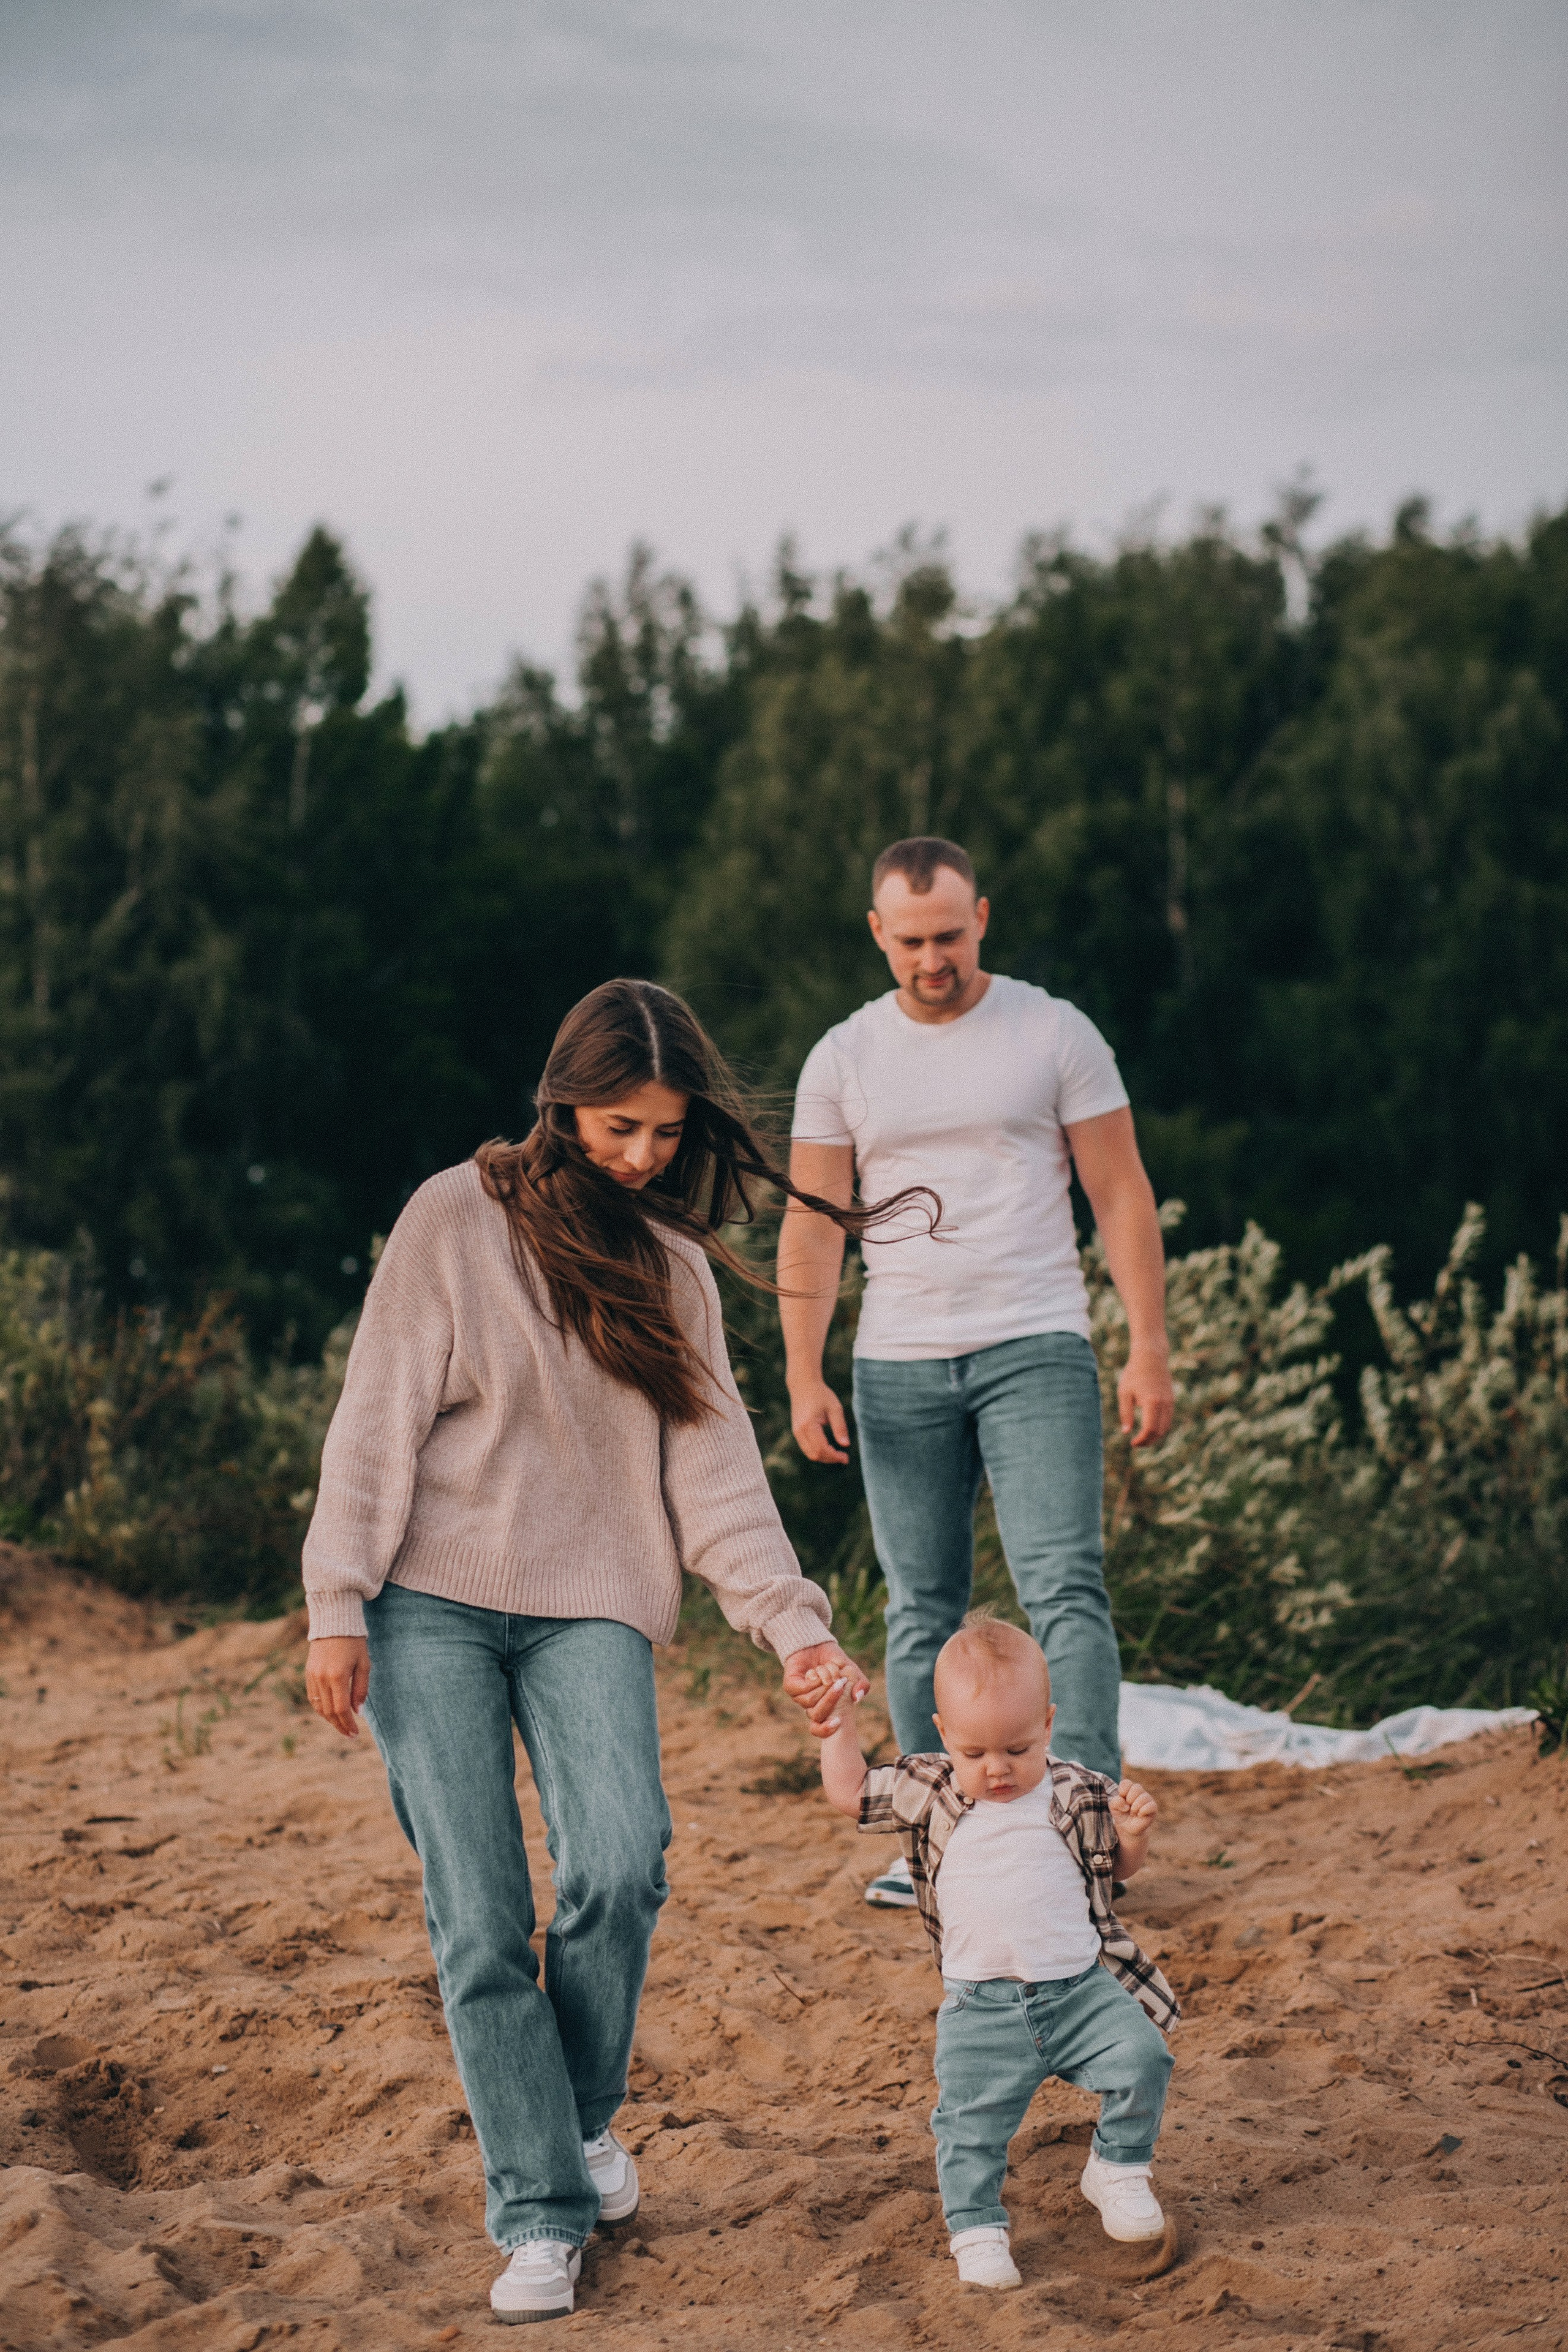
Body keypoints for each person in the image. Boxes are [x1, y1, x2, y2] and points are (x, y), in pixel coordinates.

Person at [301, 979, 914, 2326]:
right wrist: (337, 1600)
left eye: (661, 1132)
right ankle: (538, 2211)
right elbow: (375, 1419)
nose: (640, 1154)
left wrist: (792, 1629)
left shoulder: (670, 1265)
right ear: (562, 1096)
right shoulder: (447, 1220)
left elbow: (715, 1475)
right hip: (426, 1608)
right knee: (476, 1917)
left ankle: (573, 2124)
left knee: (621, 1865)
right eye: (619, 1125)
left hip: (591, 1603)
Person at [780, 835, 1174, 1907]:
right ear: (878, 934)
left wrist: (1148, 1346)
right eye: (910, 941)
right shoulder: (844, 1057)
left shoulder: (1054, 1032)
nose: (931, 958)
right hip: (897, 1361)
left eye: (949, 935)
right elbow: (814, 1229)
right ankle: (934, 1842)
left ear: (983, 918)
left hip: (1036, 1343)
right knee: (920, 1607)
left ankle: (1083, 1839)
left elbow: (1121, 1193)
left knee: (1064, 1588)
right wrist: (803, 1371)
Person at [808, 1615, 1177, 2289]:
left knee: (1143, 2057)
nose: (998, 1769)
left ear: (1048, 1723)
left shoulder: (1077, 1788)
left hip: (1079, 1989)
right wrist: (840, 1731)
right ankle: (976, 2228)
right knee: (968, 2127)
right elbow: (849, 1793)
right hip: (982, 2005)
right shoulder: (931, 1788)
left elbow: (1116, 1872)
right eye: (975, 1752)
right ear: (944, 1733)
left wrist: (1133, 1835)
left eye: (1018, 1747)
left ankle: (1117, 2168)